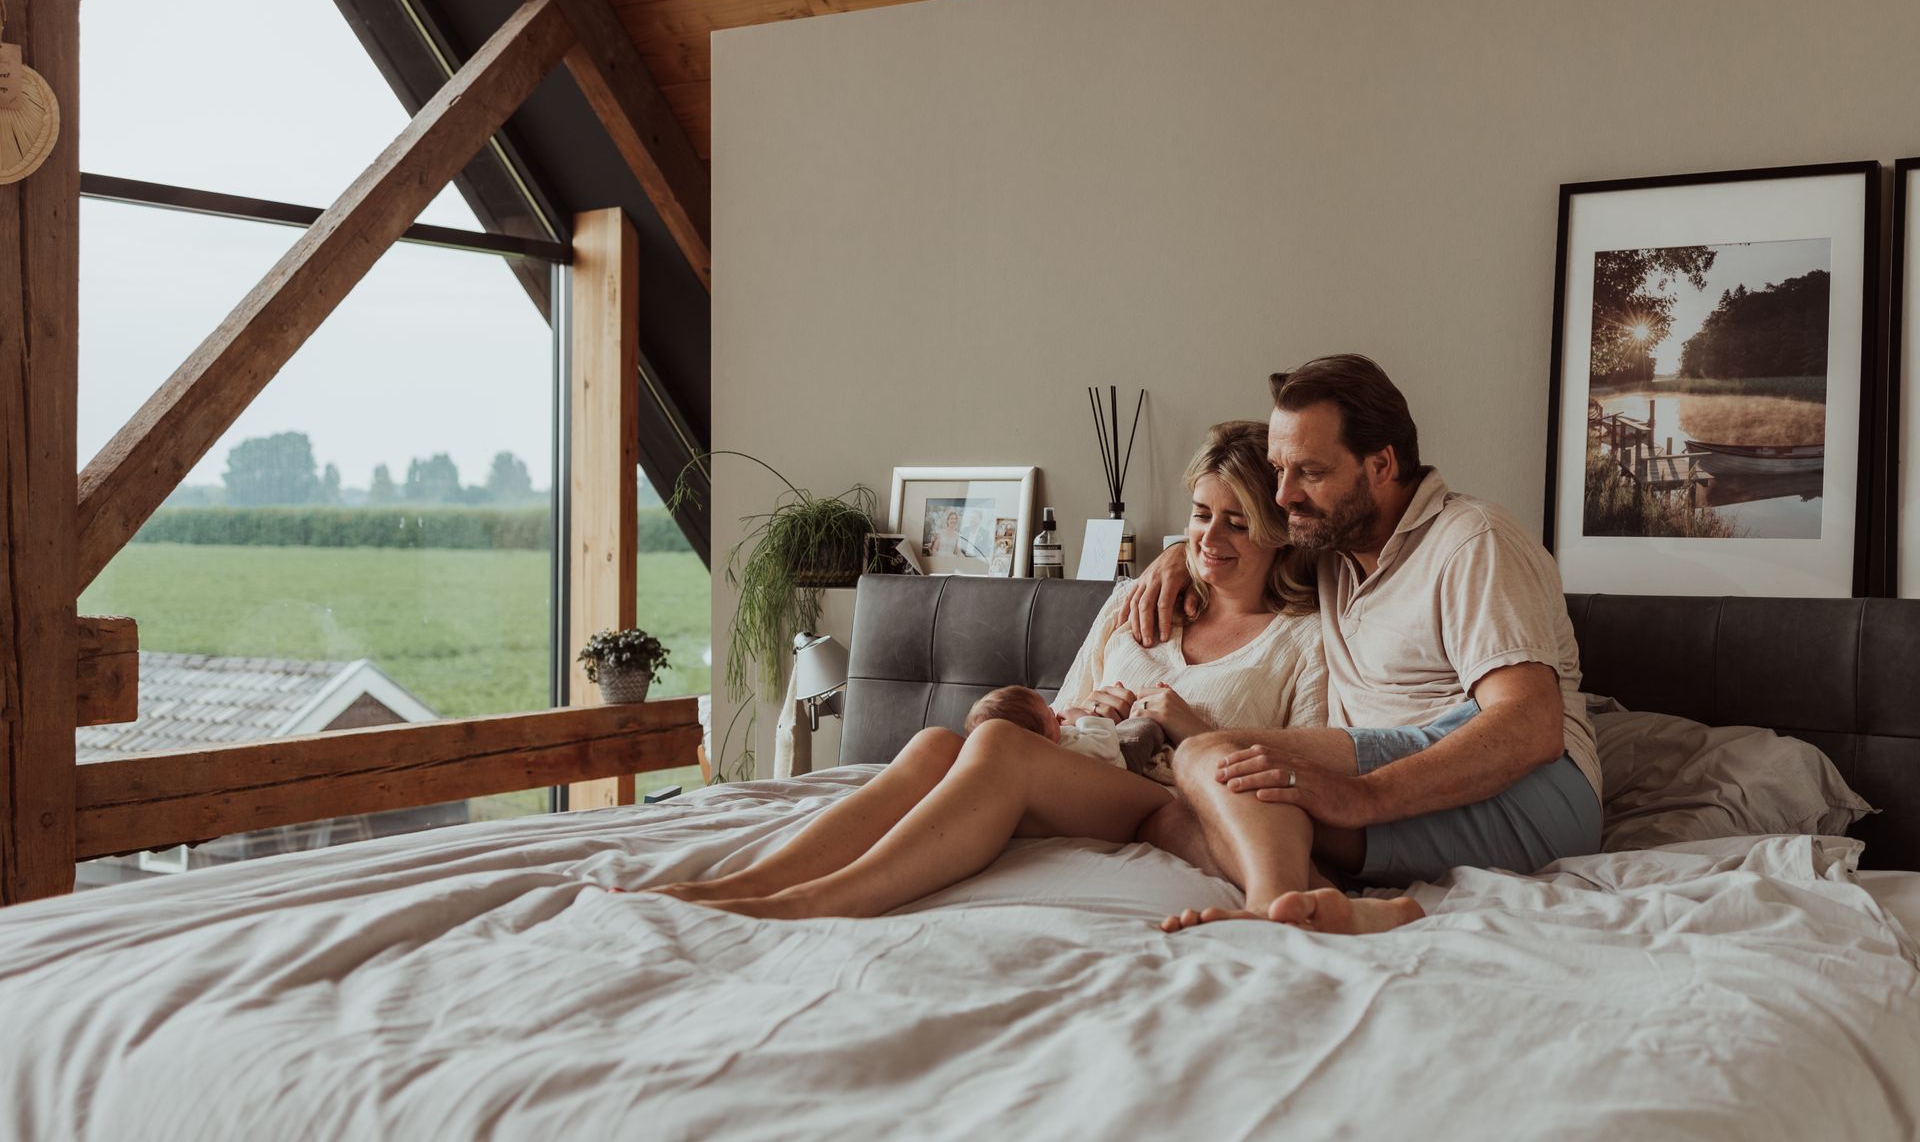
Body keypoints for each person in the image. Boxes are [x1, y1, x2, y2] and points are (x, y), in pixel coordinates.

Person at [635, 421, 1325, 920]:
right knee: (937, 743)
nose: (1209, 537)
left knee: (995, 744)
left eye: (1237, 522)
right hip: (1086, 764)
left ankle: (818, 901)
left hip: (1163, 798)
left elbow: (1309, 771)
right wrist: (1093, 710)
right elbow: (1064, 708)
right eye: (1201, 515)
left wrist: (1188, 725)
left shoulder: (1301, 639)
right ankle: (747, 883)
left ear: (1278, 531)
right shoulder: (1138, 599)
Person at [1121, 355, 1603, 936]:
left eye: (1309, 472)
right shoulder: (1328, 541)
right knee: (1169, 817)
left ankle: (1270, 910)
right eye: (1278, 470)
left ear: (1381, 465)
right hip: (1397, 779)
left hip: (1526, 794)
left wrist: (1361, 797)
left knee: (1210, 755)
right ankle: (1327, 906)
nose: (1283, 495)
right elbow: (1232, 532)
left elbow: (1531, 726)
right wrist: (1180, 556)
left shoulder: (1473, 541)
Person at [962, 684, 1168, 777]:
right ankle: (1156, 720)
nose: (1054, 710)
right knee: (1142, 729)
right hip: (1120, 767)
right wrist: (1083, 718)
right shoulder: (1069, 752)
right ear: (1043, 740)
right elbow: (1107, 747)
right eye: (1049, 715)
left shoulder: (1039, 754)